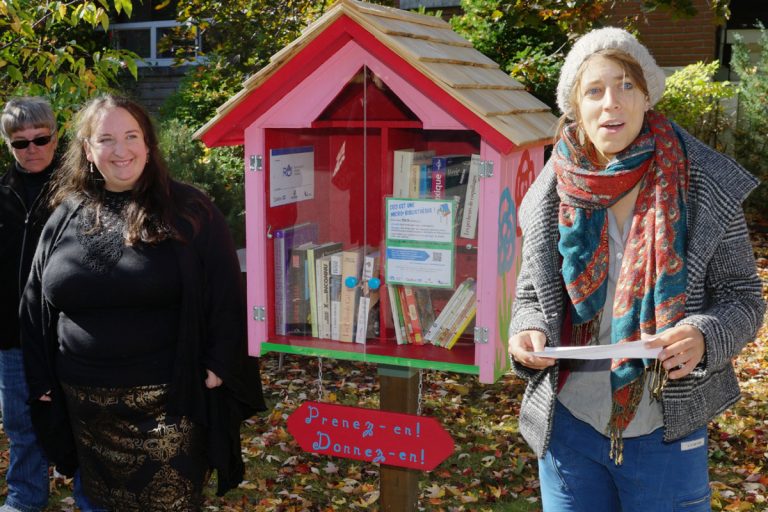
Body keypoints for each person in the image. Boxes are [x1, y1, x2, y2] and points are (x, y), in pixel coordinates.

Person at [508, 27, 765, 511]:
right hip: (569, 428)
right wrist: (527, 331)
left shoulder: (702, 181)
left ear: (647, 96)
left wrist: (703, 335)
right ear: (575, 108)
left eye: (627, 85)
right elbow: (530, 298)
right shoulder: (550, 190)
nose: (613, 103)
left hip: (665, 430)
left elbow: (743, 297)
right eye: (595, 90)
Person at [19, 94, 266, 510]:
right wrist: (41, 380)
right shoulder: (65, 214)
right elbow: (34, 302)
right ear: (87, 150)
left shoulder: (190, 209)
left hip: (169, 406)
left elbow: (227, 292)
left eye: (131, 136)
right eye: (107, 139)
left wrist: (220, 365)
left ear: (149, 144)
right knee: (98, 502)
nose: (121, 150)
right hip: (86, 408)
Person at [0, 97, 103, 512]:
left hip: (70, 336)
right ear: (8, 144)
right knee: (21, 425)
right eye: (20, 142)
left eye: (41, 139)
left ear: (56, 136)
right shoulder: (3, 194)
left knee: (80, 421)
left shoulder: (79, 190)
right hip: (13, 338)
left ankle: (91, 498)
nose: (32, 149)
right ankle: (25, 496)